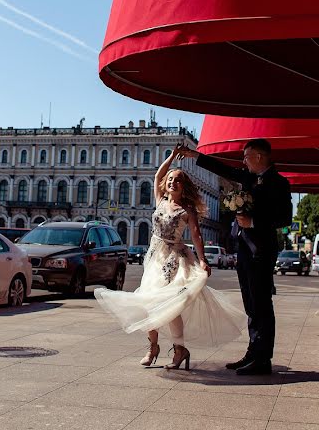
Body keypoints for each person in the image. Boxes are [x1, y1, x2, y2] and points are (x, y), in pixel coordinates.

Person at [94, 148, 247, 370]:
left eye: (178, 181)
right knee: (148, 301)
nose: (173, 183)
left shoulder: (187, 209)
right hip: (154, 257)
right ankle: (153, 347)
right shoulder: (159, 200)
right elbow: (157, 176)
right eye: (171, 180)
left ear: (183, 187)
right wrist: (172, 158)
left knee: (169, 304)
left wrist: (203, 259)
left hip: (173, 259)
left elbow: (196, 235)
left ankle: (179, 350)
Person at [178, 139, 292, 375]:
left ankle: (262, 359)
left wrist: (254, 222)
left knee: (261, 304)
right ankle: (253, 352)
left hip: (262, 250)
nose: (244, 161)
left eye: (247, 156)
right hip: (245, 250)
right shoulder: (250, 178)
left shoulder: (279, 183)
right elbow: (226, 171)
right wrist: (194, 155)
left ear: (259, 157)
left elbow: (285, 218)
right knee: (251, 304)